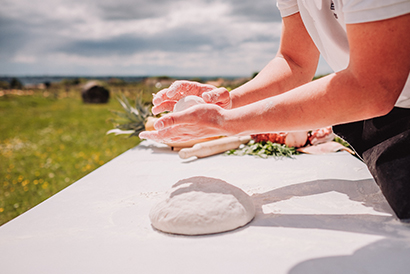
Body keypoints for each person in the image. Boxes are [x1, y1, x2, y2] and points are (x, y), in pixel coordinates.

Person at [139, 0, 410, 220]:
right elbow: (294, 60)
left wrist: (228, 123)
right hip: (376, 114)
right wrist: (226, 102)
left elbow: (372, 86)